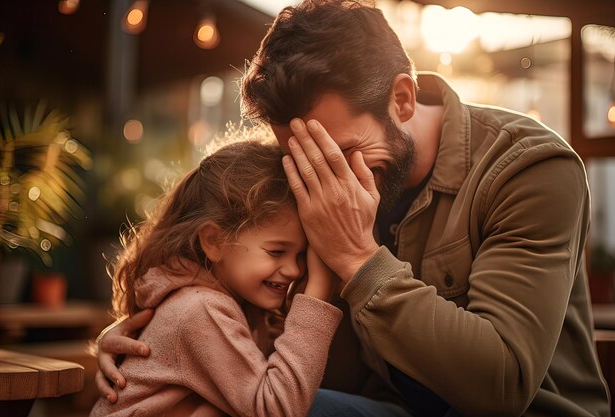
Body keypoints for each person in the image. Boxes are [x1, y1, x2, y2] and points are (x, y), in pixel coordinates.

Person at [96, 1, 610, 416]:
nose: (329, 180)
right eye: (302, 158)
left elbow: (502, 390)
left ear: (403, 100)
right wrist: (152, 348)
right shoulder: (308, 175)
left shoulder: (530, 168)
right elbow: (231, 280)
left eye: (342, 155)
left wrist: (359, 259)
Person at [89, 135, 398, 417]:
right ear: (213, 242)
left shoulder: (228, 303)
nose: (294, 270)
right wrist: (316, 292)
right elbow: (279, 408)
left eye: (302, 256)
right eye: (277, 252)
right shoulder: (201, 310)